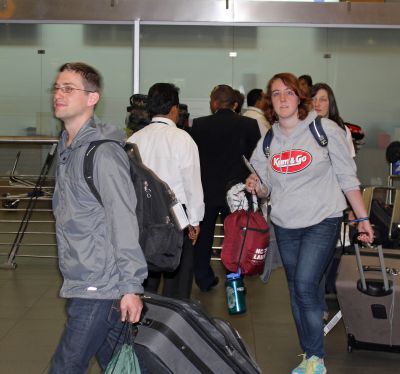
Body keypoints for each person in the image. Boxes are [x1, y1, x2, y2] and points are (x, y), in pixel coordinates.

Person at [246, 73, 373, 374]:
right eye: (276, 94)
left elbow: (347, 178)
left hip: (322, 220)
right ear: (270, 103)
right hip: (285, 225)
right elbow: (265, 188)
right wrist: (255, 183)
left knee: (304, 284)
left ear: (300, 98)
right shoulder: (267, 140)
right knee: (296, 288)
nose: (282, 98)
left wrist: (363, 218)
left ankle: (316, 358)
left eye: (288, 92)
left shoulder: (323, 129)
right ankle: (310, 354)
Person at [50, 62, 148, 373]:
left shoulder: (103, 154)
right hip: (81, 277)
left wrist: (131, 286)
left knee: (66, 366)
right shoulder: (68, 149)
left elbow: (123, 219)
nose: (59, 94)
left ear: (92, 98)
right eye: (56, 88)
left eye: (69, 88)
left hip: (99, 284)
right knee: (118, 366)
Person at [127, 83, 204, 299]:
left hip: (143, 218)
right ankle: (173, 325)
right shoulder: (182, 139)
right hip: (178, 218)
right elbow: (192, 183)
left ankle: (142, 324)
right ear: (174, 109)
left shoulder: (133, 140)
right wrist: (195, 221)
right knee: (177, 280)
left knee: (145, 278)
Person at [191, 84, 260, 292]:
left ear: (213, 103)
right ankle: (235, 276)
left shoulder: (199, 125)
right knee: (238, 236)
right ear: (236, 104)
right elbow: (255, 160)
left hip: (207, 191)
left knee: (204, 238)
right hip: (238, 191)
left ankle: (204, 278)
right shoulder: (249, 125)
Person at [311, 82, 356, 158]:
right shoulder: (303, 128)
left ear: (331, 103)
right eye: (313, 99)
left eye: (322, 100)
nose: (317, 104)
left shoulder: (342, 129)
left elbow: (348, 164)